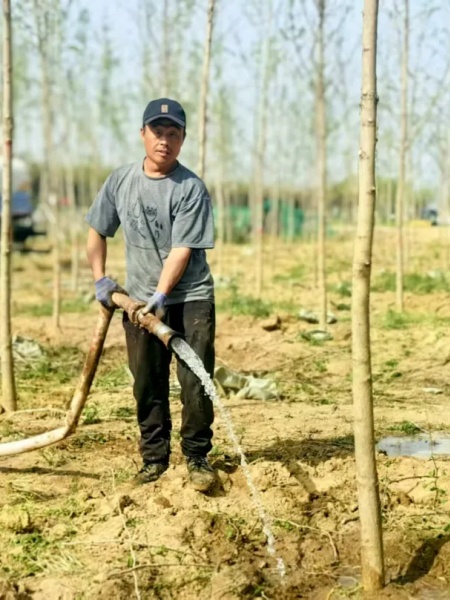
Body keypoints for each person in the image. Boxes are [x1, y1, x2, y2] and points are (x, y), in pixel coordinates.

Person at [85, 98, 216, 492]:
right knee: (146, 382)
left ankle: (197, 456)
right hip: (139, 302)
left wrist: (161, 294)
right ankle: (154, 460)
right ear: (142, 134)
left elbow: (182, 249)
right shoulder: (120, 181)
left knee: (195, 380)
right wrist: (101, 280)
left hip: (189, 297)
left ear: (183, 139)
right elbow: (97, 230)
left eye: (173, 133)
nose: (164, 140)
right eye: (157, 132)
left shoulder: (191, 188)